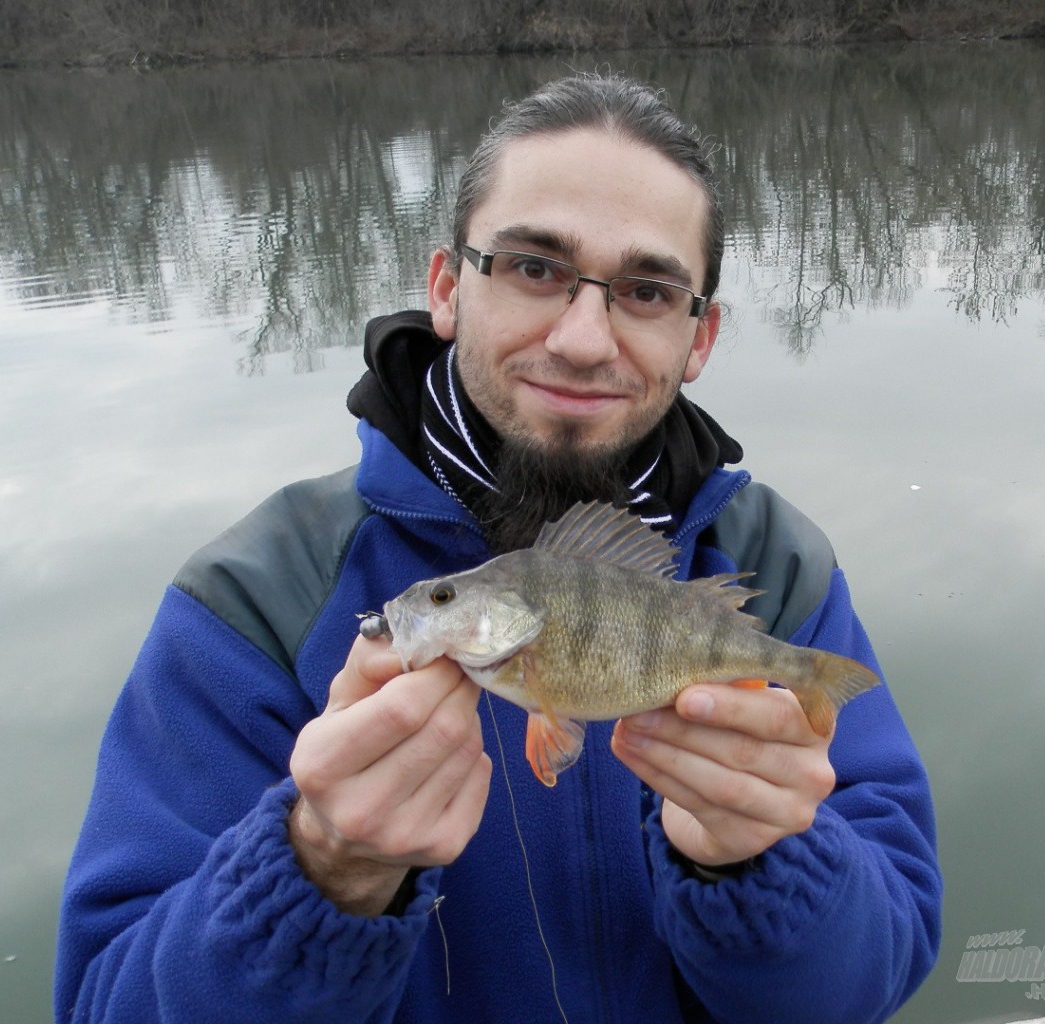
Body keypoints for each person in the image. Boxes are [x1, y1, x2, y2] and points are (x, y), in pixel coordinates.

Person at [55, 73, 941, 1024]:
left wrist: (766, 861)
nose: (583, 338)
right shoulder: (258, 600)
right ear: (446, 286)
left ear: (700, 337)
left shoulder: (777, 571)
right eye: (532, 268)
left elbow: (869, 981)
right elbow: (107, 1002)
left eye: (647, 290)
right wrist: (318, 873)